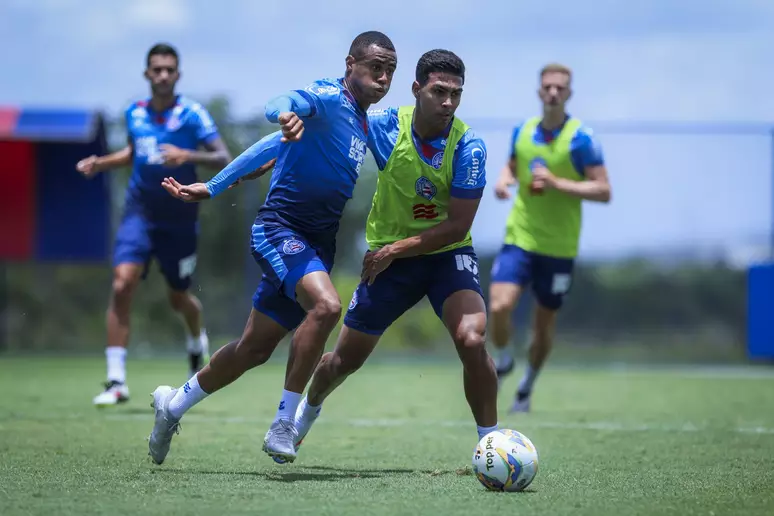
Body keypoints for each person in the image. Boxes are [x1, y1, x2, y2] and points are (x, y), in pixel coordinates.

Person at [146, 31, 398, 465]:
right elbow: (279, 106)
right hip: (280, 228)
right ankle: (284, 422)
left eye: (390, 70)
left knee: (252, 350)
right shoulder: (326, 97)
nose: (383, 77)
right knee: (327, 306)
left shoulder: (363, 121)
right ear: (350, 63)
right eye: (375, 67)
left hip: (318, 242)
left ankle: (171, 406)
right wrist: (281, 117)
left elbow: (269, 148)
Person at [290, 49, 500, 458]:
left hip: (445, 256)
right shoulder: (384, 126)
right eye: (439, 91)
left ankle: (492, 441)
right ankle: (306, 412)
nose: (448, 103)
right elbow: (335, 128)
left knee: (471, 339)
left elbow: (458, 226)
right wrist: (284, 142)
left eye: (456, 94)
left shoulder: (468, 146)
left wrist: (396, 249)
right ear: (416, 89)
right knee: (343, 361)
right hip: (389, 263)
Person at [76, 43, 231, 407]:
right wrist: (101, 163)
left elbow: (222, 156)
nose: (162, 75)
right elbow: (135, 152)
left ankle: (196, 340)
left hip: (180, 220)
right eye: (156, 69)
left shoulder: (193, 114)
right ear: (147, 74)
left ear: (177, 75)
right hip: (139, 214)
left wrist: (187, 155)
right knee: (122, 283)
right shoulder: (134, 112)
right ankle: (116, 381)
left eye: (169, 69)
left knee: (179, 298)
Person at [488, 63, 612, 412]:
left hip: (558, 248)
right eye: (548, 87)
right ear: (539, 91)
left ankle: (526, 387)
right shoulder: (522, 131)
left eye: (560, 87)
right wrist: (503, 180)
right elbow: (512, 164)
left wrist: (558, 183)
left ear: (569, 93)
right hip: (520, 237)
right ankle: (504, 358)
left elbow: (603, 190)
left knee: (542, 327)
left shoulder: (581, 139)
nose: (553, 92)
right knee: (498, 305)